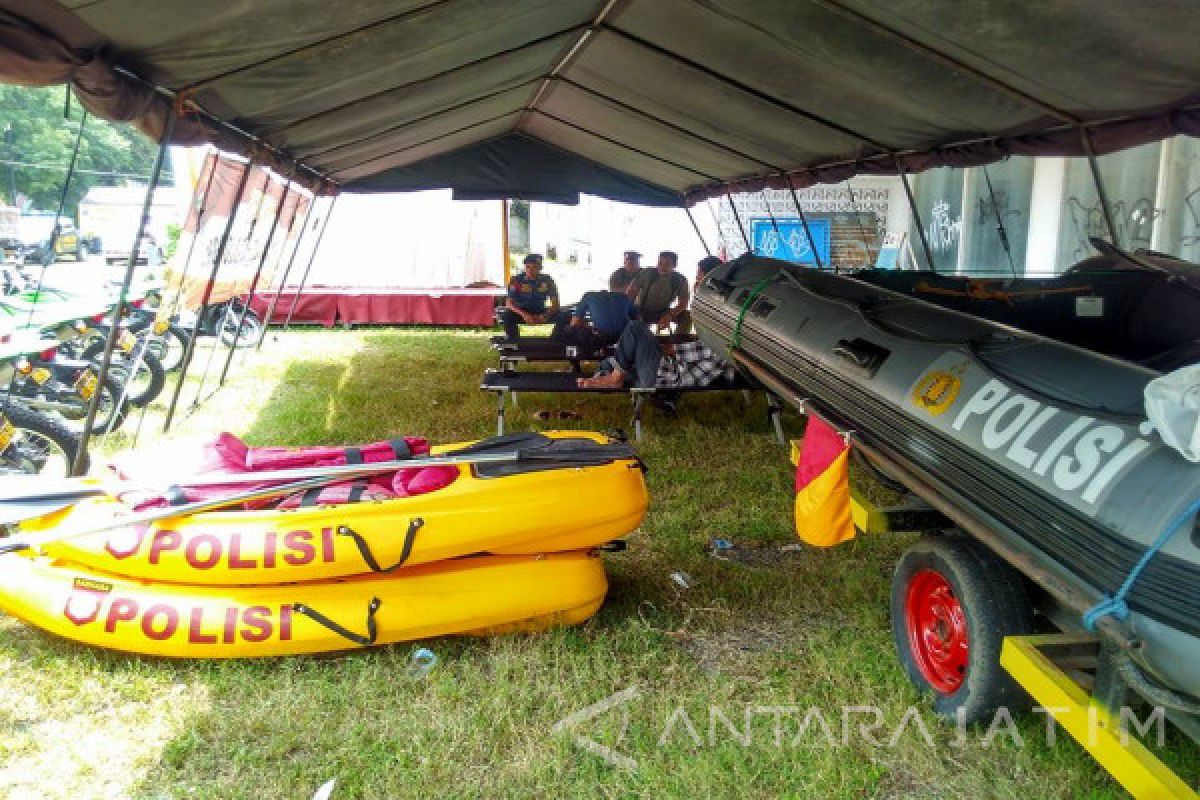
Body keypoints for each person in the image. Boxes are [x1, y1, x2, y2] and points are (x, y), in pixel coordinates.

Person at [577, 319, 730, 390]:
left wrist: (647, 345)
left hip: (665, 378)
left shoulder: (719, 345)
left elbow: (671, 350)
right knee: (611, 361)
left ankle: (614, 378)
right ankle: (606, 377)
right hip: (656, 375)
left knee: (636, 328)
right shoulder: (719, 343)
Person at [551, 272, 636, 348]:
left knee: (567, 324)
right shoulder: (627, 299)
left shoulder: (589, 295)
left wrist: (589, 327)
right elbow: (636, 322)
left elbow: (575, 322)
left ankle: (560, 351)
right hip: (622, 340)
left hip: (598, 340)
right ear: (627, 286)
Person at [627, 250, 691, 334]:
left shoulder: (680, 280)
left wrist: (670, 315)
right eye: (660, 263)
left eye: (667, 264)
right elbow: (631, 292)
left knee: (686, 316)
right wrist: (632, 311)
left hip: (663, 312)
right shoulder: (647, 273)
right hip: (641, 310)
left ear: (675, 265)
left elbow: (683, 303)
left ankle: (677, 342)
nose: (662, 267)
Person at [500, 253, 561, 340]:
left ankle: (556, 341)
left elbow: (555, 304)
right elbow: (509, 303)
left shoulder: (547, 280)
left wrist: (545, 315)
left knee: (564, 316)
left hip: (540, 310)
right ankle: (514, 342)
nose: (530, 271)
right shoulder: (517, 280)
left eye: (534, 268)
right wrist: (525, 315)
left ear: (540, 268)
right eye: (527, 267)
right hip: (521, 311)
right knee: (507, 316)